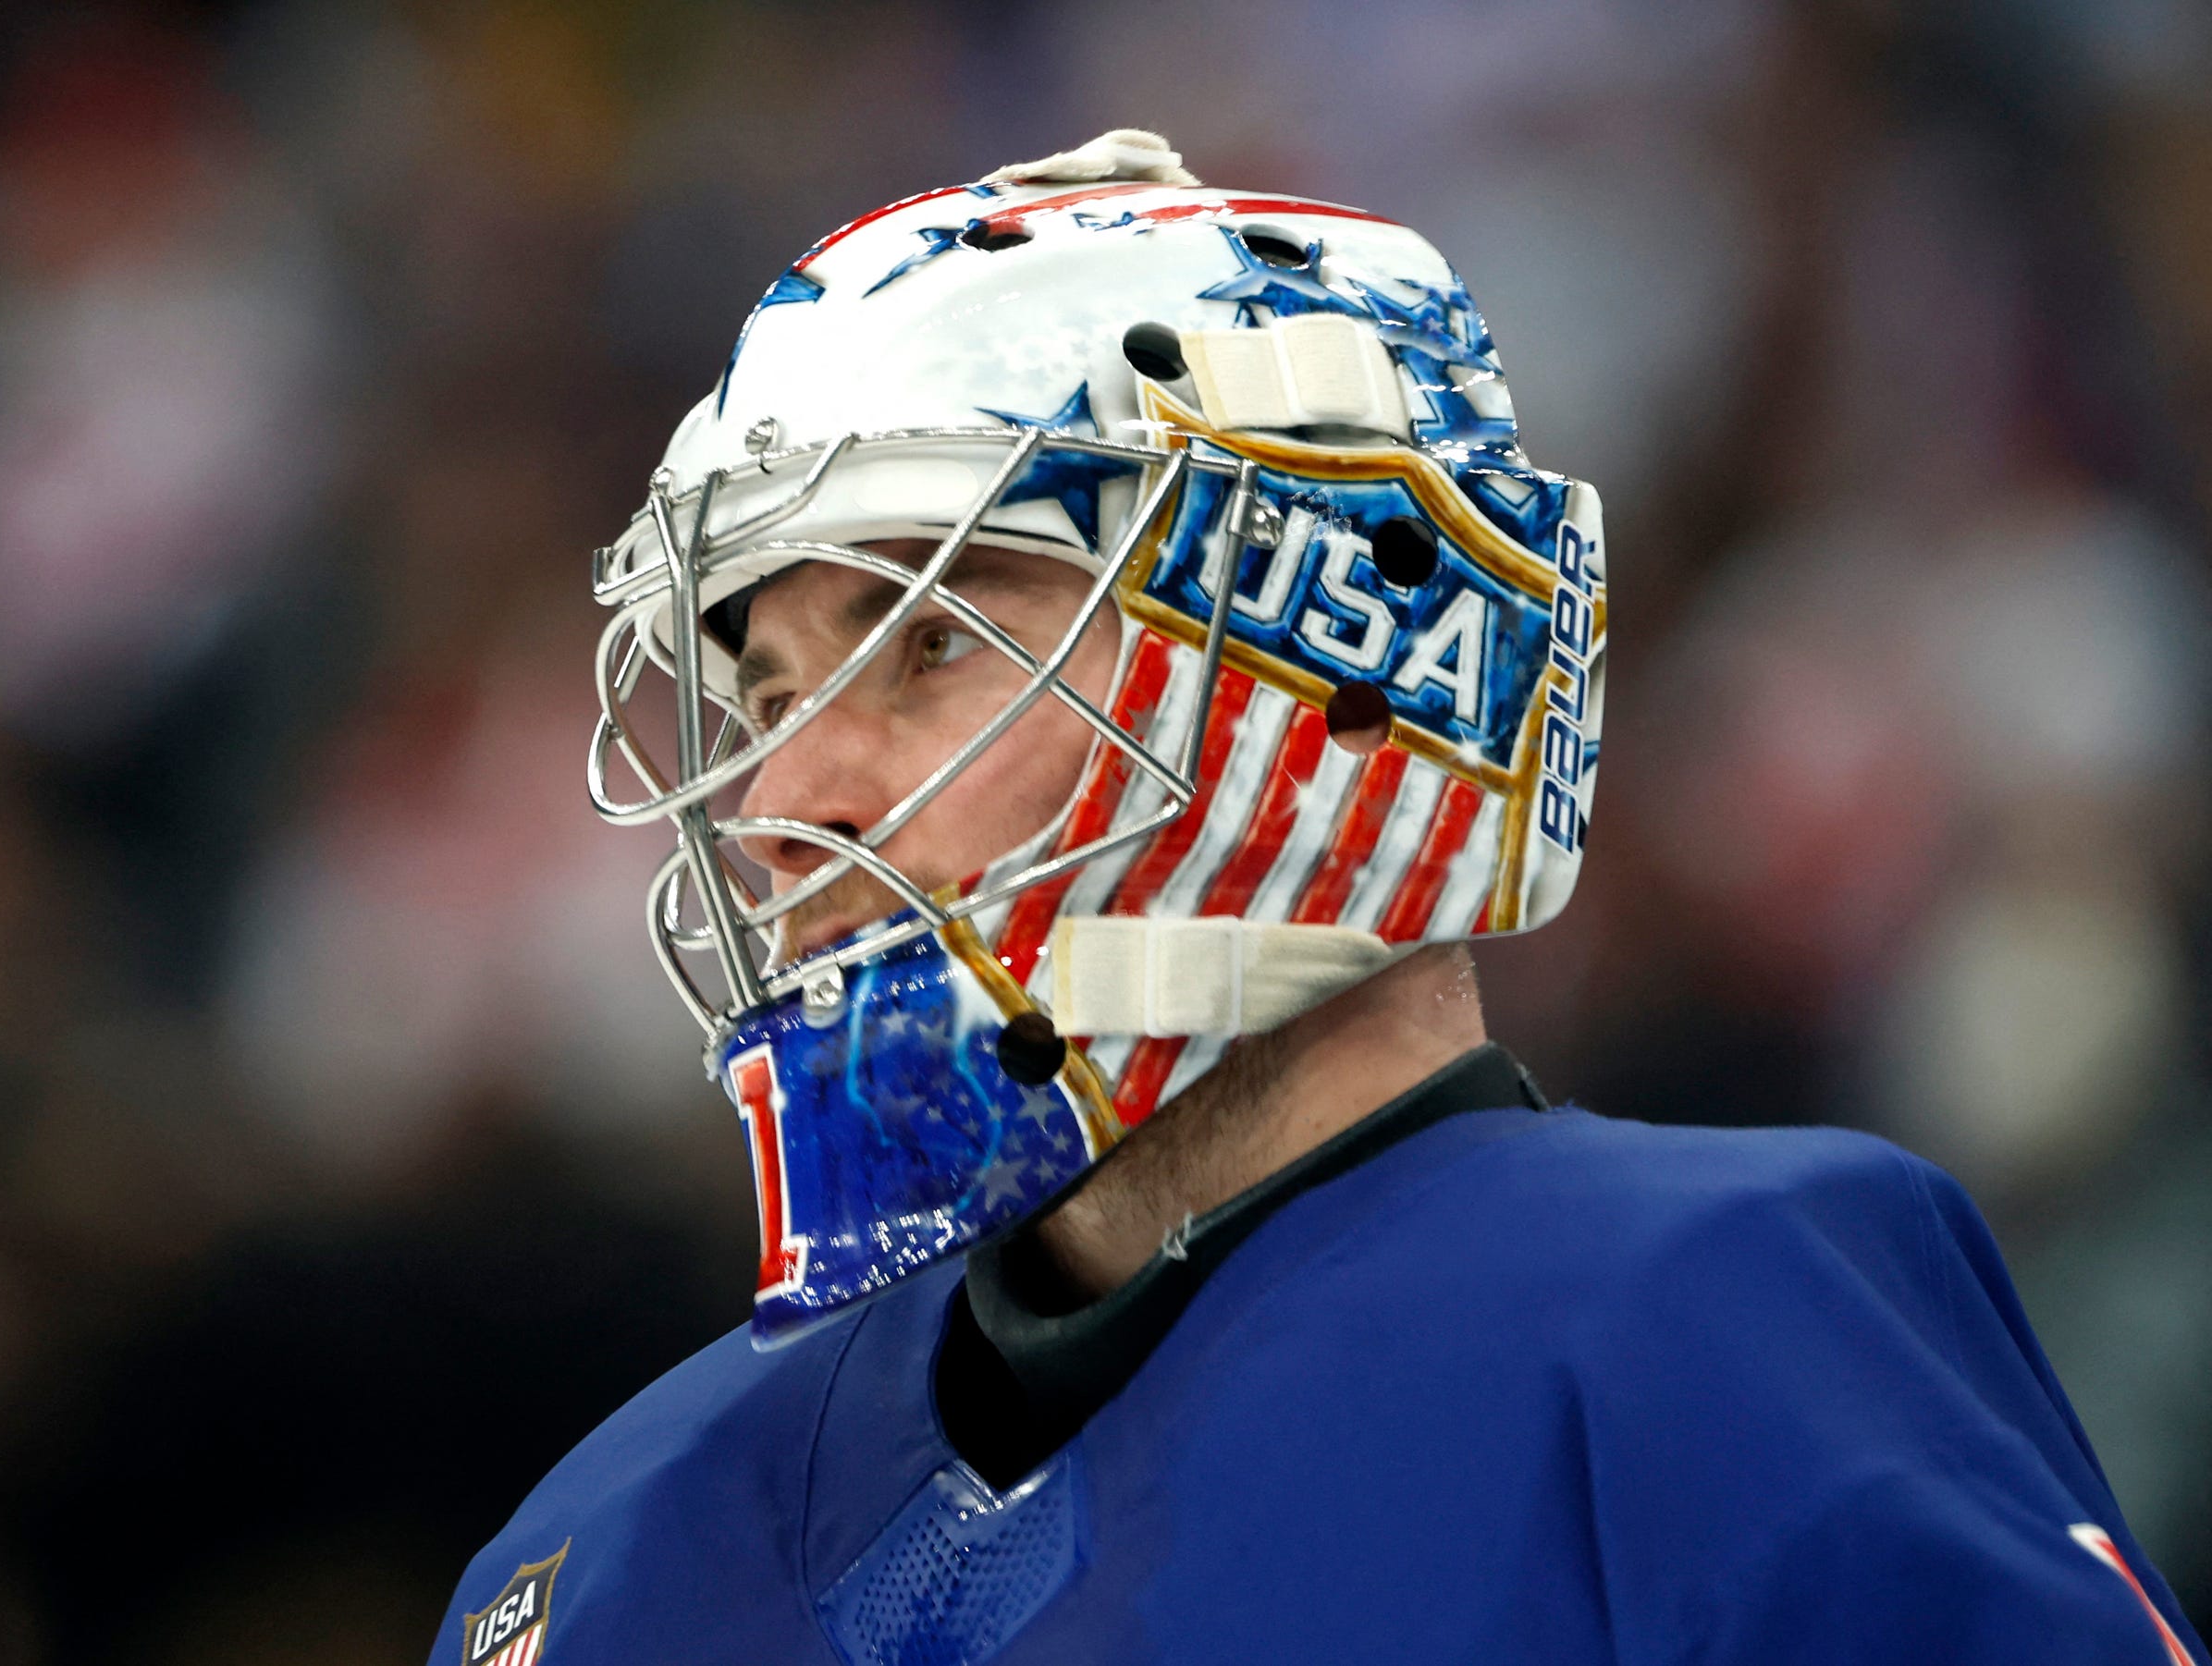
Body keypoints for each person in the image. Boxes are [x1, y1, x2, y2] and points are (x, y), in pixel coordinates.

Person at [431, 131, 2204, 1666]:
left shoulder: (1710, 1340)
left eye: (932, 642)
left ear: (1343, 672)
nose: (779, 804)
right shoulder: (605, 1551)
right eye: (763, 698)